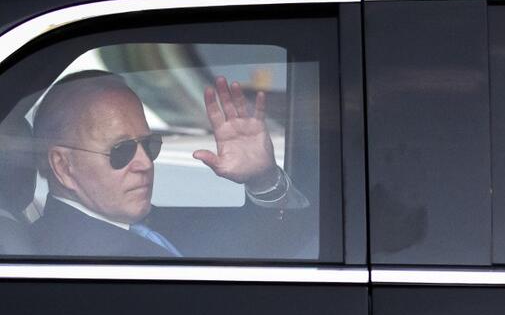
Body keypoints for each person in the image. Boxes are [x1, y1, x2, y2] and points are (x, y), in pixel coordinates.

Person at [31, 69, 307, 258]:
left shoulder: (143, 224)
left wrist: (262, 179)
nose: (145, 163)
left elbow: (279, 245)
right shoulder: (77, 260)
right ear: (63, 166)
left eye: (149, 144)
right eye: (121, 150)